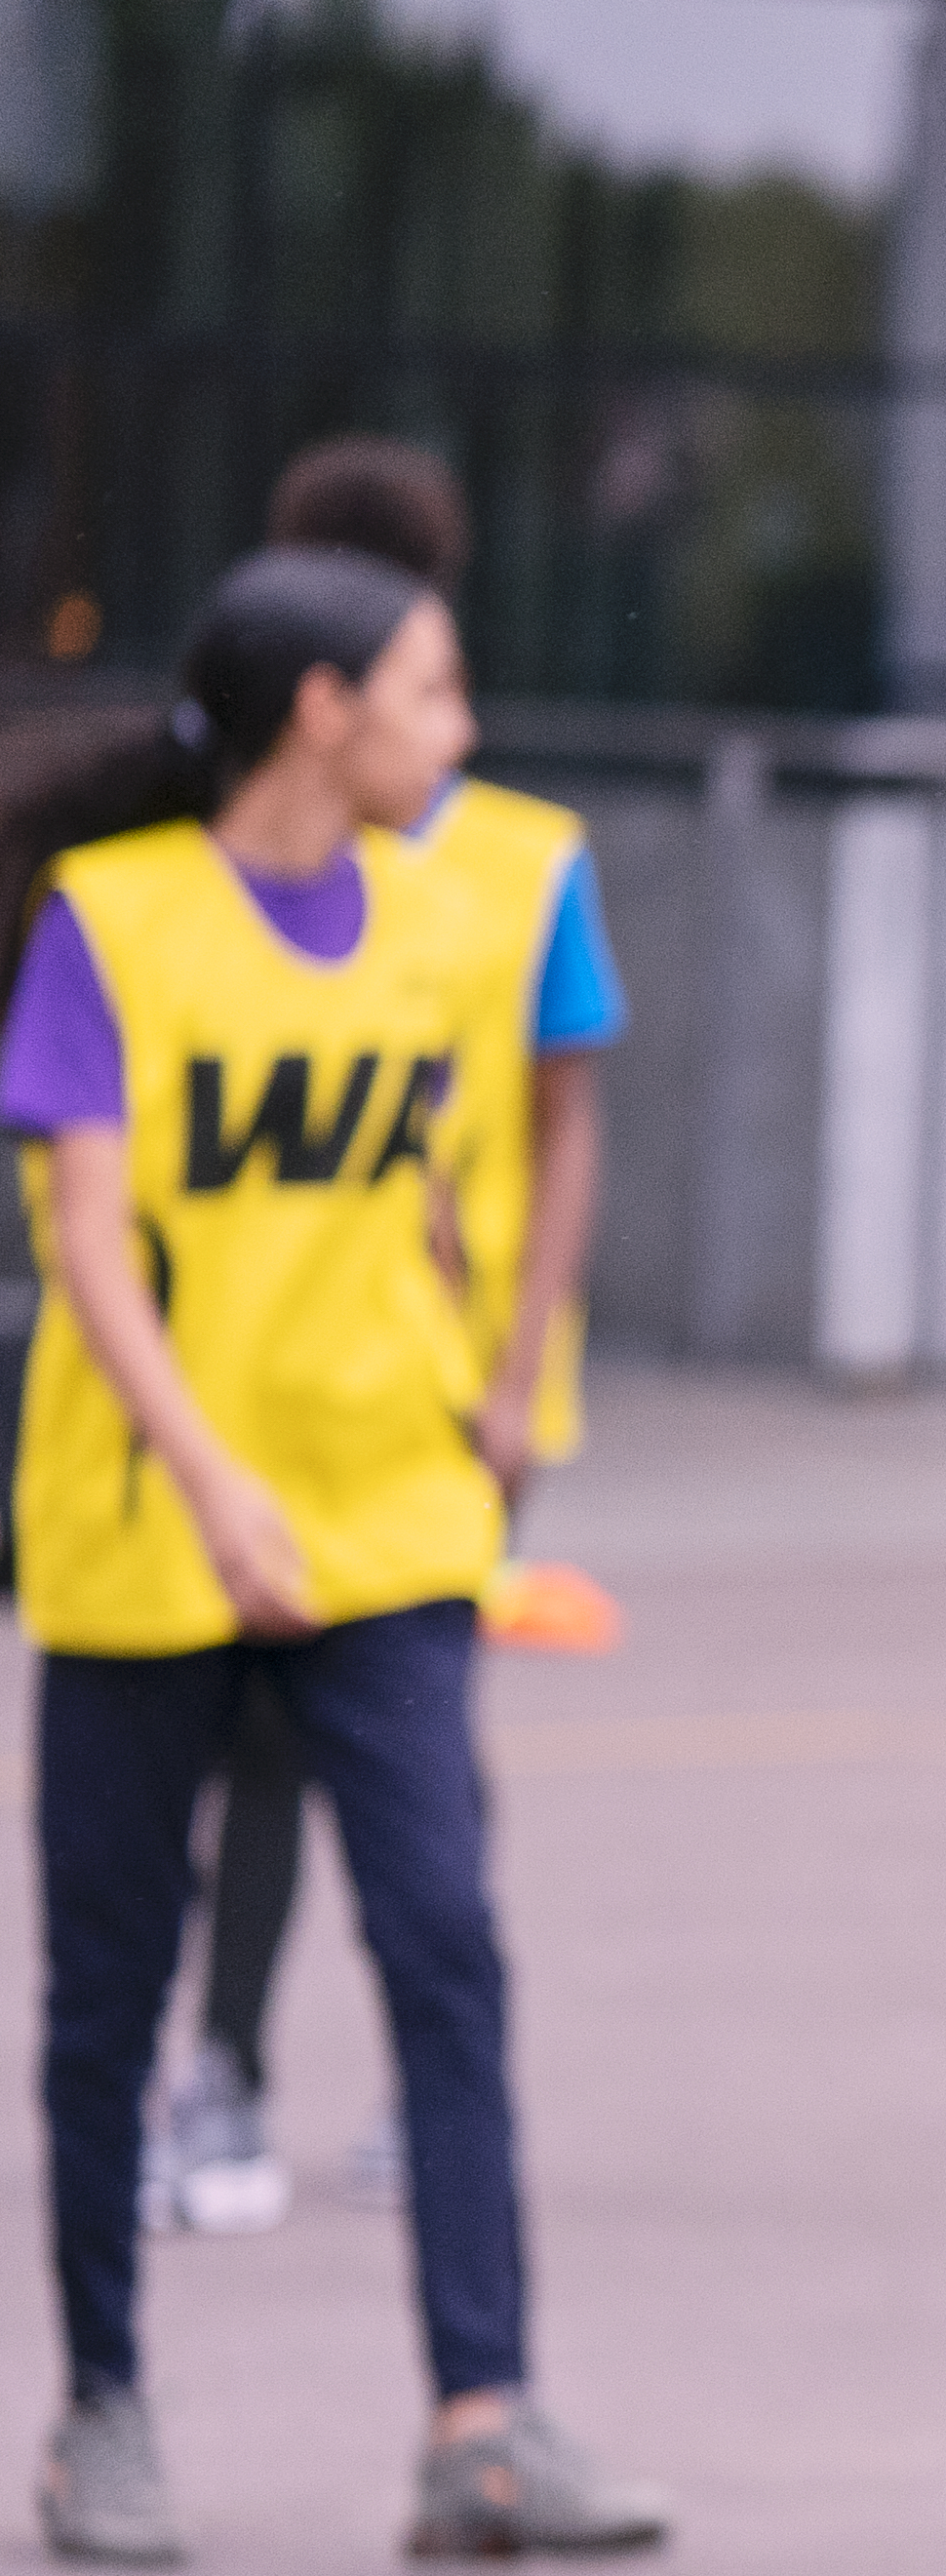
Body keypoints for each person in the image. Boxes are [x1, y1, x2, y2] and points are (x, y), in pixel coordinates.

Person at [9, 546, 667, 2565]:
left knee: (446, 1945)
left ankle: (484, 2414)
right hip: (153, 1530)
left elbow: (529, 1148)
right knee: (112, 1988)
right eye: (431, 694)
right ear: (323, 709)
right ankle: (107, 2399)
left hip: (384, 1519)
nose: (454, 737)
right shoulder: (110, 928)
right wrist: (211, 1481)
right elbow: (90, 1247)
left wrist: (504, 1381)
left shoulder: (454, 926)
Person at [132, 437, 630, 2241]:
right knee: (250, 1740)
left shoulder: (511, 867)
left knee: (399, 1725)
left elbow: (565, 1118)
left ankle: (400, 2071)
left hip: (430, 1391)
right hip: (232, 1381)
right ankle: (232, 2070)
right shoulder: (175, 885)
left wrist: (509, 1369)